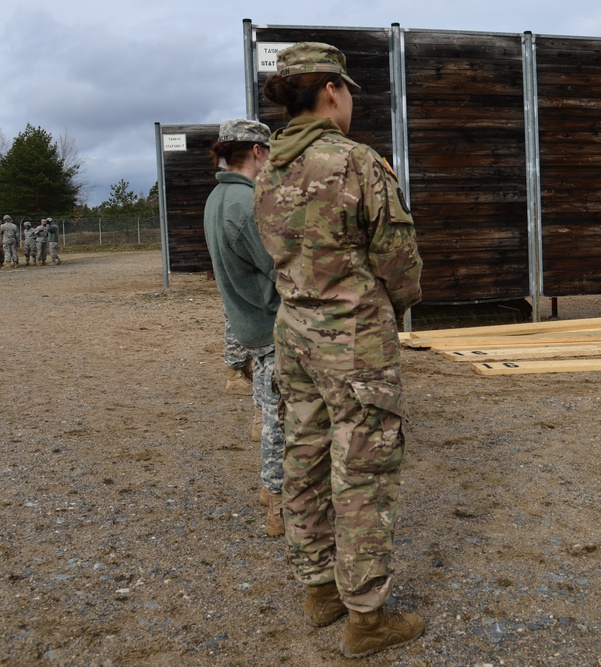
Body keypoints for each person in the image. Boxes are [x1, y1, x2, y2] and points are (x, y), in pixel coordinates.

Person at [254, 42, 424, 658]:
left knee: (303, 457)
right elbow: (398, 261)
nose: (350, 101)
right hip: (353, 341)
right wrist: (399, 299)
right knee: (364, 471)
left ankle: (319, 591)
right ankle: (367, 620)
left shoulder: (269, 165)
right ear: (331, 90)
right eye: (348, 91)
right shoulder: (356, 162)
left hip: (292, 333)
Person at [203, 118, 285, 538]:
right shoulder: (245, 203)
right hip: (271, 323)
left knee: (267, 406)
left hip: (248, 323)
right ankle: (278, 504)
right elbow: (279, 265)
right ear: (257, 152)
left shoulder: (217, 198)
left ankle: (271, 497)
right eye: (267, 151)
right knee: (281, 421)